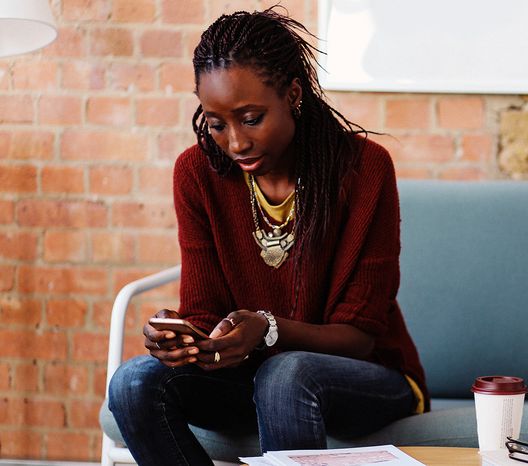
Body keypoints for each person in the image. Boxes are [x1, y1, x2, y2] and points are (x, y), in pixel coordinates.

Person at [107, 7, 429, 465]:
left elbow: (359, 337)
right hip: (247, 379)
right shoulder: (197, 174)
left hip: (366, 378)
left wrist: (269, 330)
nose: (235, 142)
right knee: (133, 382)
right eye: (217, 124)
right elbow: (205, 310)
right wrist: (181, 336)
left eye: (251, 118)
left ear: (293, 95)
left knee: (286, 372)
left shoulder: (363, 169)